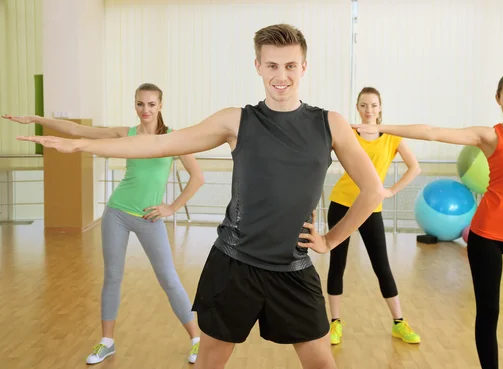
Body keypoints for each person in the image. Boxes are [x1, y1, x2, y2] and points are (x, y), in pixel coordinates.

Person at [15, 24, 386, 369]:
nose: (281, 75)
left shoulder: (329, 123)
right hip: (234, 264)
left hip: (293, 268)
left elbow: (371, 191)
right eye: (271, 65)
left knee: (322, 363)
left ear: (304, 67)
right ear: (257, 66)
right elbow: (161, 143)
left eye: (290, 65)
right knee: (211, 360)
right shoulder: (236, 120)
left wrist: (332, 239)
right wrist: (78, 143)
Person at [351, 71, 503, 369]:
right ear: (498, 100)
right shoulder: (490, 135)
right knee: (488, 312)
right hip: (487, 235)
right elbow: (432, 131)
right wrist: (376, 125)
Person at [3, 83, 205, 365]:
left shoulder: (174, 139)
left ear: (160, 105)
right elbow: (77, 131)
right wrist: (37, 119)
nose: (144, 110)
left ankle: (196, 339)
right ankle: (107, 341)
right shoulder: (126, 134)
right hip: (118, 212)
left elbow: (198, 177)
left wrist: (171, 207)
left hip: (150, 217)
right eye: (139, 104)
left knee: (169, 280)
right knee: (112, 277)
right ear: (134, 105)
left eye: (150, 104)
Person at [327, 86, 422, 345]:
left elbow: (415, 167)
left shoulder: (392, 136)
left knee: (382, 266)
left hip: (371, 207)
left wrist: (391, 190)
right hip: (342, 203)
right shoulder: (348, 133)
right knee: (338, 264)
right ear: (357, 107)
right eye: (364, 105)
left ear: (380, 108)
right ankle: (334, 323)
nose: (369, 110)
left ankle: (398, 322)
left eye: (374, 105)